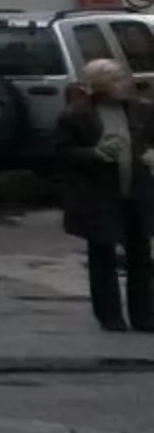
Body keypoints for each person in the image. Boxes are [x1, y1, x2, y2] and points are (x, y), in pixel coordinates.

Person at [55, 58, 154, 331]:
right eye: (116, 80)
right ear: (99, 86)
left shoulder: (143, 110)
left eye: (123, 78)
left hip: (136, 193)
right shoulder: (76, 115)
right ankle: (110, 316)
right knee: (103, 256)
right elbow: (61, 153)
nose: (124, 84)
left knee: (141, 256)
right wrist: (93, 155)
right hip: (98, 197)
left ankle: (145, 315)